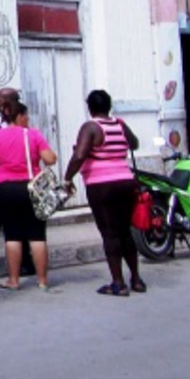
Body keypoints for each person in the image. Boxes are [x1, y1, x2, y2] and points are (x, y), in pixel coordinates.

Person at [62, 90, 144, 296]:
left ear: (90, 107)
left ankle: (118, 283)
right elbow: (134, 144)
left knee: (109, 233)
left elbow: (80, 154)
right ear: (109, 105)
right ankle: (136, 279)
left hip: (101, 185)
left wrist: (67, 178)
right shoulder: (120, 124)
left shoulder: (91, 127)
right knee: (125, 231)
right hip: (125, 181)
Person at [0, 98, 57, 291]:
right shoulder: (33, 135)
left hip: (5, 188)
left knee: (12, 235)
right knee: (37, 236)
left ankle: (13, 280)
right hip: (31, 186)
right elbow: (50, 159)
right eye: (27, 116)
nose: (28, 119)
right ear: (20, 116)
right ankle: (42, 281)